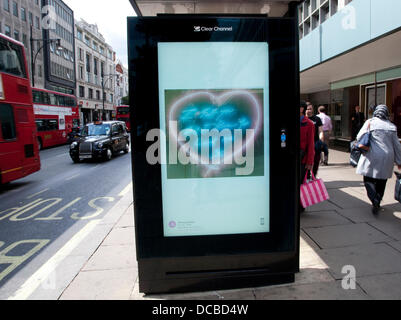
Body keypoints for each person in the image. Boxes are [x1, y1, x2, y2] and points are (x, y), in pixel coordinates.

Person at [356, 105, 401, 215]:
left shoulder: (370, 122)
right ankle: (378, 199)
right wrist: (399, 161)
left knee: (368, 178)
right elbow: (397, 145)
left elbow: (359, 137)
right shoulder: (391, 126)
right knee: (382, 180)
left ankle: (373, 199)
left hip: (372, 154)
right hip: (387, 156)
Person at [300, 101, 315, 212]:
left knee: (301, 182)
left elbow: (311, 144)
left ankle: (301, 204)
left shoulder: (309, 124)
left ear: (302, 109)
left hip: (302, 158)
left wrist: (310, 161)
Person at [306, 104, 324, 177]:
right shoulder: (302, 119)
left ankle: (314, 175)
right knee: (306, 161)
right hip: (305, 144)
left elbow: (320, 131)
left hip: (315, 143)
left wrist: (321, 139)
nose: (309, 110)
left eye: (310, 109)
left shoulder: (317, 119)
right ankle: (306, 175)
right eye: (307, 109)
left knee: (316, 160)